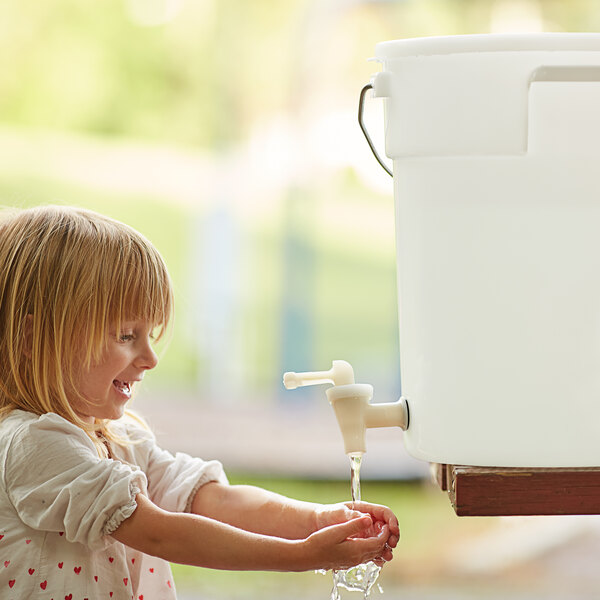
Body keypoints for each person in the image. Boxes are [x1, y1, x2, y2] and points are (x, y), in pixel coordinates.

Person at [0, 205, 399, 599]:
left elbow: (211, 500)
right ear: (33, 338)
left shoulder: (119, 442)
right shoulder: (32, 446)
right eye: (125, 335)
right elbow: (160, 531)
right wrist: (301, 554)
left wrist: (317, 519)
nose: (150, 359)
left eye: (149, 335)